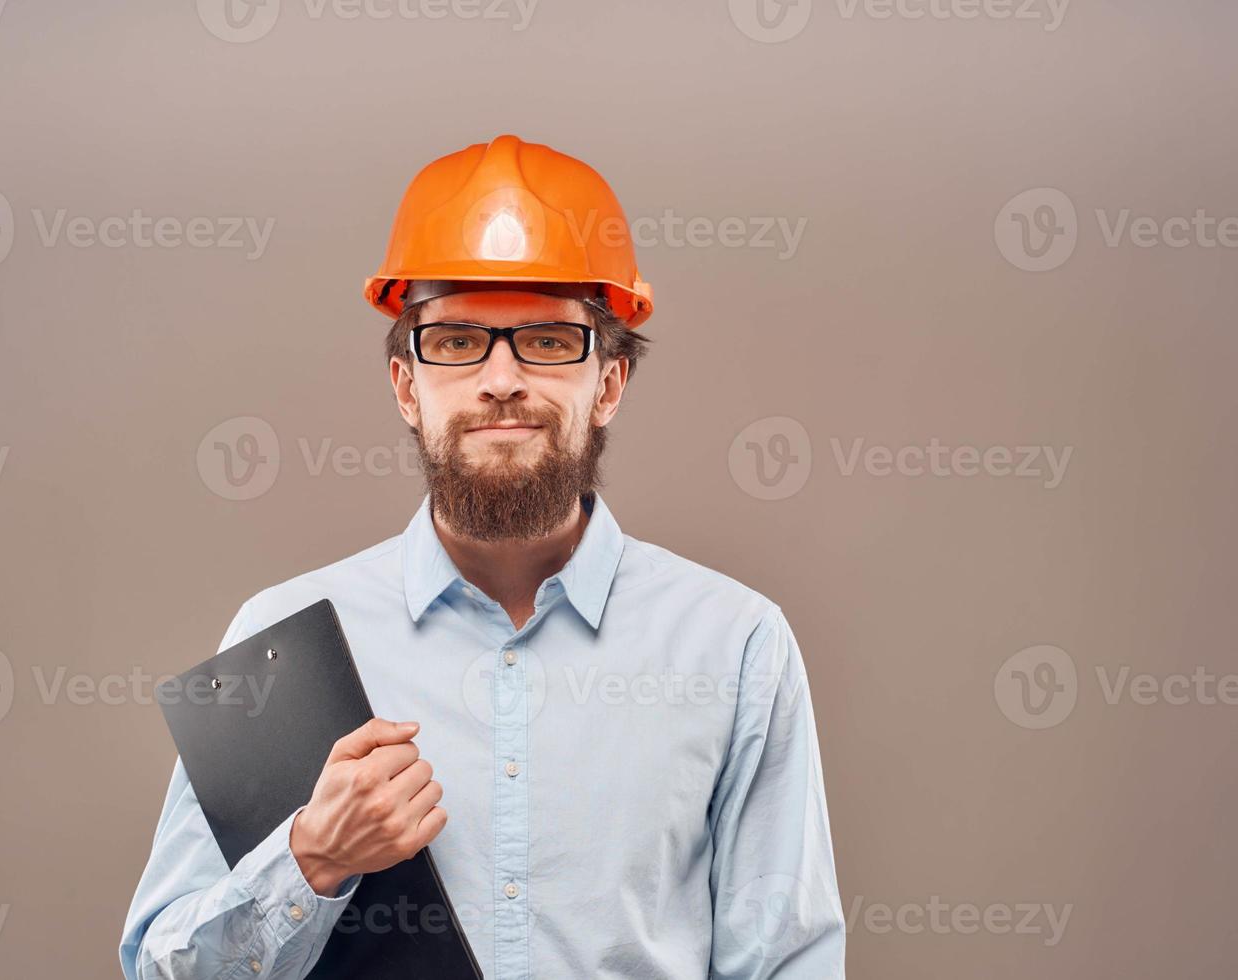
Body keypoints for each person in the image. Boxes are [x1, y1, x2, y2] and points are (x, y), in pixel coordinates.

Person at [119, 134, 845, 979]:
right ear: (405, 384)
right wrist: (310, 863)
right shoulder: (282, 639)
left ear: (607, 383)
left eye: (545, 340)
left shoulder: (736, 645)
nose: (501, 379)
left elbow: (787, 965)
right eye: (459, 341)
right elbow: (160, 967)